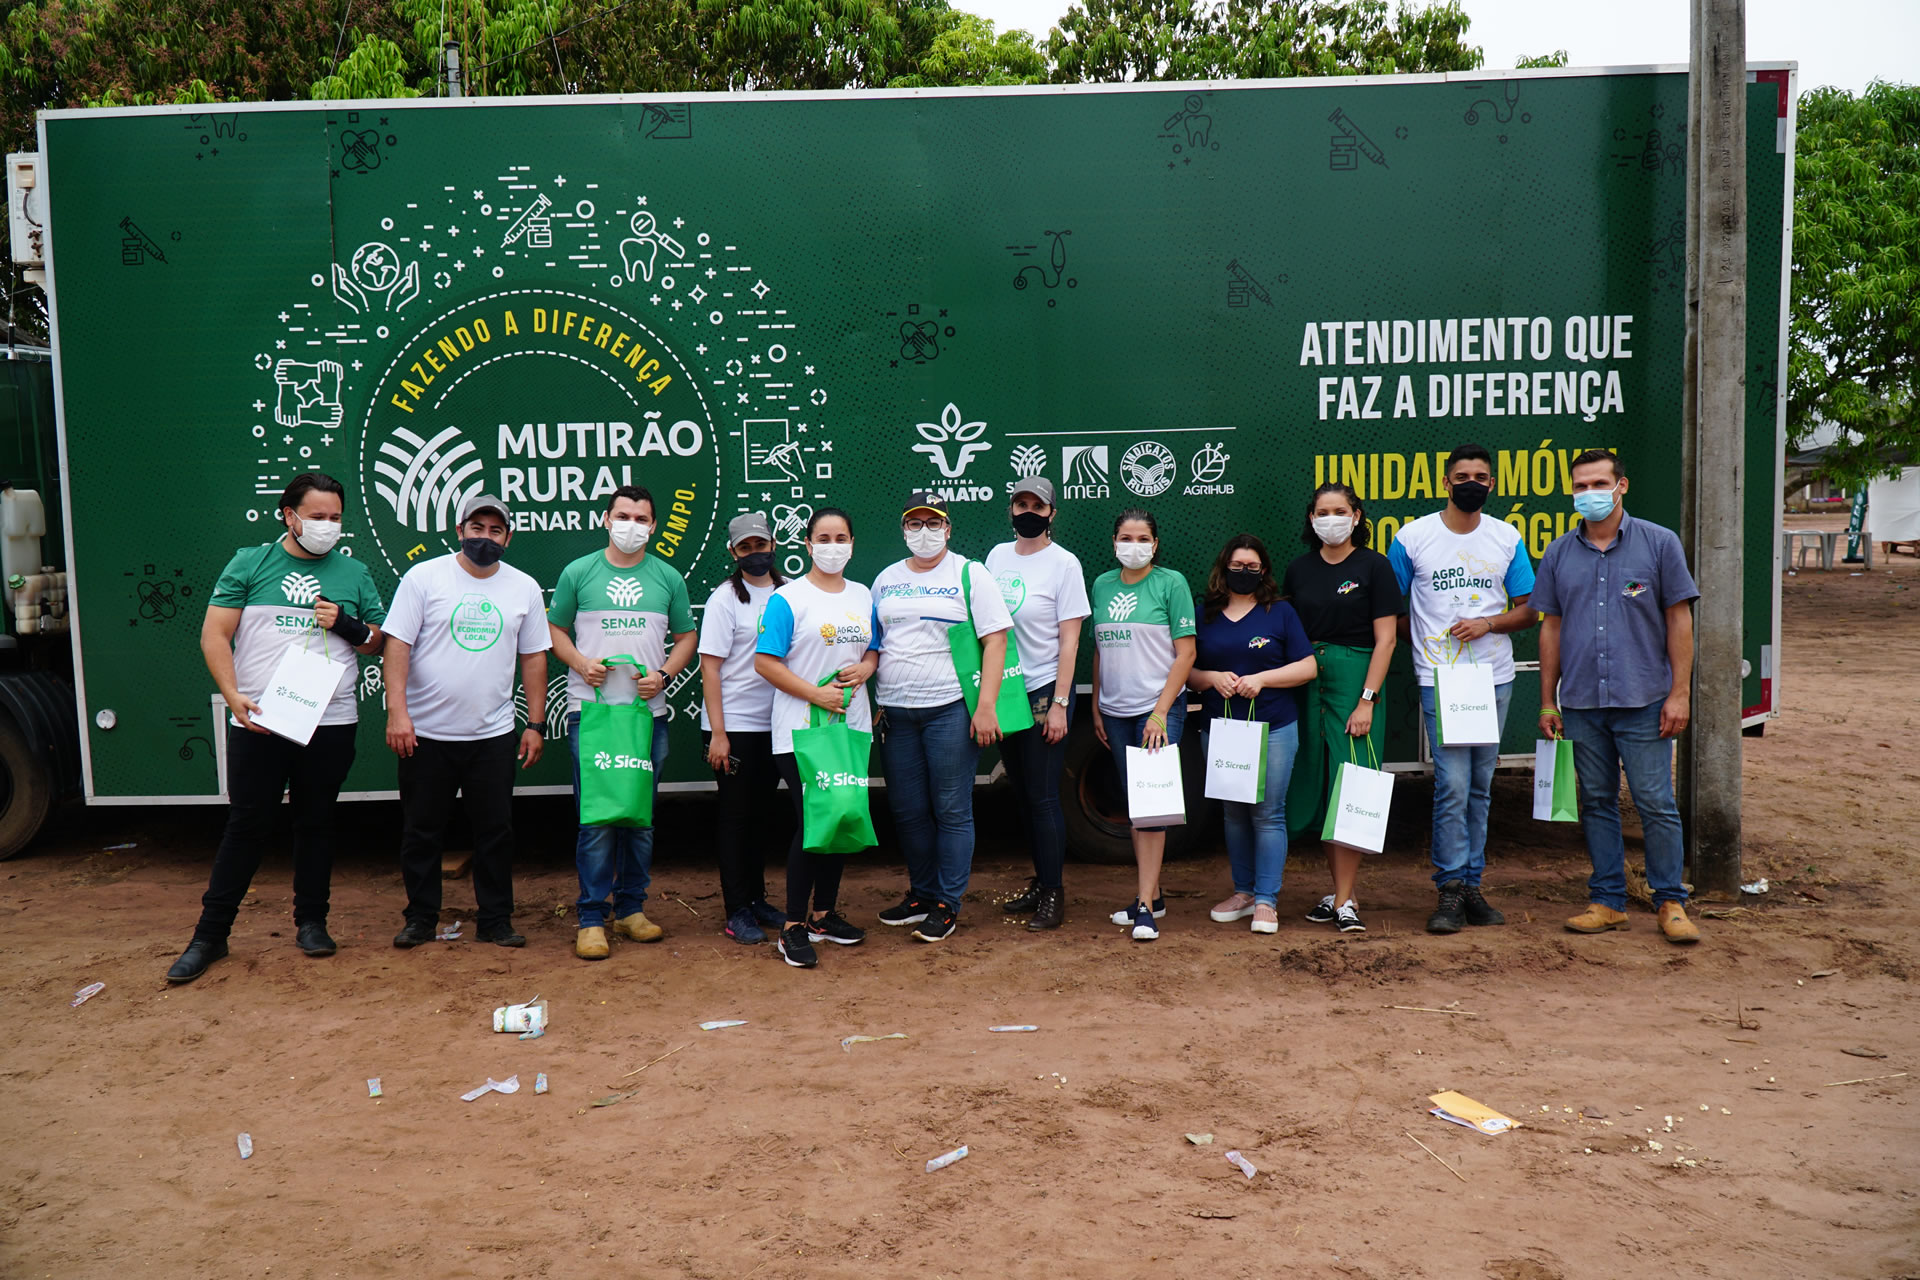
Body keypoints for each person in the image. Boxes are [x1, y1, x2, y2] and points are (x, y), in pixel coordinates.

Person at [165, 473, 387, 983]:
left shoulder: (353, 573)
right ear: (289, 515)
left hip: (330, 718)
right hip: (261, 717)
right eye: (317, 517)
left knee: (317, 822)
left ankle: (312, 922)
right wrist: (233, 696)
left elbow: (379, 640)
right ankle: (210, 936)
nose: (328, 527)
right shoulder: (251, 562)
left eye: (335, 518)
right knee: (246, 825)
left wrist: (347, 625)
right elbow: (214, 634)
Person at [1535, 449, 1702, 944]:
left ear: (1621, 486)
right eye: (1580, 486)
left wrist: (1679, 694)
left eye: (1598, 483)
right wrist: (1548, 699)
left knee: (1655, 803)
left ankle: (1670, 901)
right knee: (1598, 803)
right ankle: (1607, 901)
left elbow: (1679, 620)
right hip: (1583, 702)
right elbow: (1551, 629)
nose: (1589, 494)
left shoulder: (1658, 544)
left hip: (1645, 698)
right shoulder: (1559, 553)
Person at [384, 493, 550, 949]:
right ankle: (420, 918)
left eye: (495, 530)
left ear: (508, 538)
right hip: (425, 734)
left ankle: (496, 919)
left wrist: (534, 724)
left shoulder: (524, 588)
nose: (485, 537)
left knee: (495, 831)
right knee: (421, 830)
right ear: (460, 531)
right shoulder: (423, 577)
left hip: (492, 735)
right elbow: (396, 645)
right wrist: (397, 712)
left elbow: (534, 658)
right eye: (477, 528)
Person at [1387, 444, 1537, 934]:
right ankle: (1449, 888)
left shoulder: (1506, 537)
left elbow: (1528, 609)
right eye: (1462, 475)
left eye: (1481, 476)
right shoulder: (1413, 538)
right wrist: (1427, 644)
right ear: (1445, 483)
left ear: (1491, 484)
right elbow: (1390, 608)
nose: (1471, 482)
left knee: (1480, 785)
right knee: (1451, 784)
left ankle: (1473, 884)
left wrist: (1488, 625)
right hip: (1441, 680)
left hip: (1493, 676)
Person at [547, 485, 697, 959]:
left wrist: (664, 675)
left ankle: (631, 909)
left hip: (647, 720)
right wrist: (579, 661)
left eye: (642, 518)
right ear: (606, 519)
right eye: (624, 515)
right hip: (590, 716)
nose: (632, 524)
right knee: (596, 822)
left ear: (653, 526)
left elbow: (687, 636)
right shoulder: (579, 572)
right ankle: (591, 916)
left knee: (640, 820)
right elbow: (554, 629)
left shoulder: (668, 577)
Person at [871, 492, 1016, 944]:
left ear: (948, 529)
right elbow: (876, 644)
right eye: (914, 524)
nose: (924, 532)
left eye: (933, 523)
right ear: (903, 530)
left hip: (951, 709)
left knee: (951, 809)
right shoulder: (886, 580)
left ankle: (946, 905)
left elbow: (996, 640)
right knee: (909, 810)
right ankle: (921, 894)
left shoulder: (971, 574)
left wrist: (985, 706)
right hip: (896, 712)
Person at [752, 508, 877, 968]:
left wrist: (866, 667)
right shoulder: (788, 599)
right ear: (807, 545)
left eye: (840, 537)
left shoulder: (863, 596)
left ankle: (823, 914)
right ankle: (792, 926)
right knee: (813, 823)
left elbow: (873, 648)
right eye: (822, 538)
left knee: (841, 817)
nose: (832, 545)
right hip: (801, 732)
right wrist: (817, 695)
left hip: (851, 728)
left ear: (851, 543)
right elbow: (765, 663)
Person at [1282, 483, 1400, 934]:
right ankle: (1338, 892)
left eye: (1339, 510)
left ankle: (1347, 901)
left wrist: (1367, 699)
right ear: (1311, 519)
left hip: (1357, 681)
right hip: (1309, 678)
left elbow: (1387, 640)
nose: (1329, 518)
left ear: (1356, 516)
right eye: (1321, 511)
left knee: (1352, 787)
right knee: (1321, 786)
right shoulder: (1299, 570)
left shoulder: (1375, 566)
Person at [1189, 535, 1317, 934]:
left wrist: (1261, 679)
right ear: (1223, 567)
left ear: (1264, 572)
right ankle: (1242, 893)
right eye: (1237, 565)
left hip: (1274, 727)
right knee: (1233, 812)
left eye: (1252, 567)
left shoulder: (1279, 613)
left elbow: (1308, 667)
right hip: (1220, 728)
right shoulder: (1203, 613)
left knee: (1267, 813)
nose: (1243, 573)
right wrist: (1210, 678)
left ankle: (1266, 900)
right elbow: (1185, 671)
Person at [986, 478, 1090, 931]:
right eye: (1020, 503)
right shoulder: (995, 557)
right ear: (1011, 509)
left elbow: (1070, 641)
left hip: (1044, 690)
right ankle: (1039, 880)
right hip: (1006, 691)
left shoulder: (1064, 564)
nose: (1028, 511)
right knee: (1024, 794)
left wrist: (1061, 703)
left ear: (1052, 513)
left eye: (1037, 505)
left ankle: (1053, 894)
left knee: (1046, 797)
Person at [1092, 508, 1197, 942]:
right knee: (1138, 809)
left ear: (1155, 544)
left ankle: (1144, 908)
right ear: (1114, 541)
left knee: (1152, 812)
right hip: (1114, 712)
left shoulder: (1171, 583)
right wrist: (1097, 704)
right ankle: (1150, 897)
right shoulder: (1101, 584)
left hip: (1158, 710)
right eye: (1125, 537)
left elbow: (1186, 654)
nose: (1132, 545)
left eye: (1142, 538)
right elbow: (1098, 649)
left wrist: (1159, 712)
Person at [698, 512, 789, 945]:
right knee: (736, 819)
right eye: (745, 548)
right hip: (732, 727)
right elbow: (710, 670)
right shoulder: (724, 600)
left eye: (761, 545)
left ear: (773, 545)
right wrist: (718, 733)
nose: (755, 554)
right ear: (733, 553)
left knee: (761, 817)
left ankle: (756, 899)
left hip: (777, 724)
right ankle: (736, 910)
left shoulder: (790, 594)